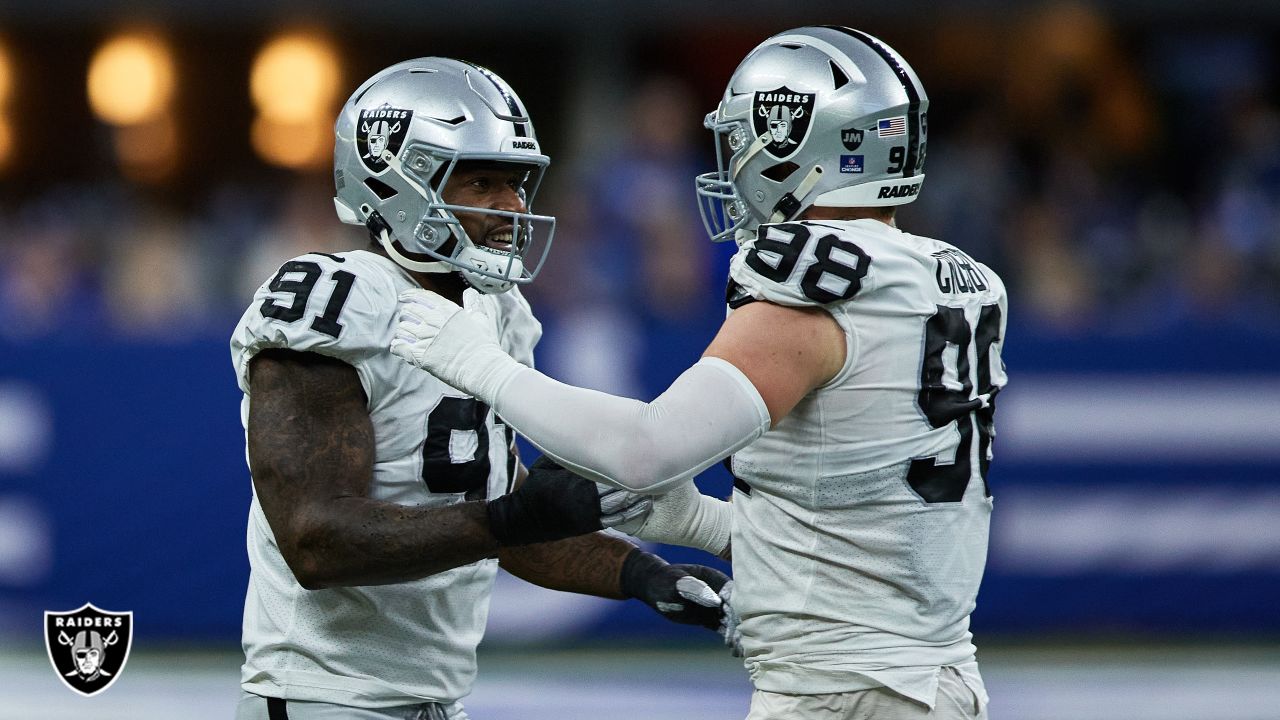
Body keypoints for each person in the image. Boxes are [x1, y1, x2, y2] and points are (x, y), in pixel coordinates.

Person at [391, 27, 1007, 720]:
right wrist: (702, 523)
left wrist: (478, 364)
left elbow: (647, 448)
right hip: (917, 675)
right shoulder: (953, 277)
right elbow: (862, 519)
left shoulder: (817, 279)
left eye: (745, 136)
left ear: (795, 141)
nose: (733, 159)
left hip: (853, 691)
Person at [229, 57, 729, 720]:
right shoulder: (333, 301)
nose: (513, 207)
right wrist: (510, 519)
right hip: (325, 699)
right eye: (485, 182)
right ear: (395, 180)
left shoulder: (493, 310)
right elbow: (316, 542)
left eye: (518, 184)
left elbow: (495, 512)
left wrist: (642, 575)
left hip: (435, 702)